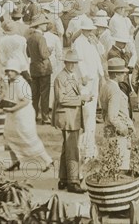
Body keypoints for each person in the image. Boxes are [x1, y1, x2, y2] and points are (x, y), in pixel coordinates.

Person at [1, 59, 53, 172]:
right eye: (8, 70)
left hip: (23, 115)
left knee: (29, 138)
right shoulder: (12, 82)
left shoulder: (21, 83)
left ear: (17, 71)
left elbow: (26, 101)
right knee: (9, 136)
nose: (9, 73)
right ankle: (15, 161)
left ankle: (47, 160)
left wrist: (12, 108)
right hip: (13, 116)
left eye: (12, 70)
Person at [52, 49, 87, 194]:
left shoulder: (72, 75)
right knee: (72, 149)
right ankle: (73, 182)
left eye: (75, 62)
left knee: (67, 148)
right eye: (70, 62)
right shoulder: (61, 77)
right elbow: (62, 99)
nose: (73, 65)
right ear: (65, 62)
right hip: (68, 117)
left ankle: (63, 178)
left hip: (71, 116)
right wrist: (81, 99)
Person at [72, 17, 104, 161]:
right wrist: (84, 75)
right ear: (84, 30)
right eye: (88, 30)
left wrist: (101, 74)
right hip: (86, 80)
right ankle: (86, 148)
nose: (90, 32)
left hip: (94, 78)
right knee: (88, 113)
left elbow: (98, 58)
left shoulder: (91, 42)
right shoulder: (78, 43)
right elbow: (78, 60)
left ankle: (90, 147)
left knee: (91, 113)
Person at [101, 58, 135, 169]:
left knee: (111, 162)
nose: (125, 75)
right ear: (116, 74)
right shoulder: (115, 90)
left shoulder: (105, 86)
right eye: (122, 73)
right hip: (118, 132)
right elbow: (112, 116)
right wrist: (124, 129)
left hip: (108, 130)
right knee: (122, 165)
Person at [26, 15, 53, 124]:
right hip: (44, 68)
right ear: (40, 25)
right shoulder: (41, 38)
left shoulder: (30, 38)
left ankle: (34, 115)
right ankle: (45, 116)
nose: (46, 25)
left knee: (35, 94)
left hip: (34, 68)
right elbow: (44, 54)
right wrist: (49, 51)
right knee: (44, 94)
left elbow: (28, 54)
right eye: (44, 23)